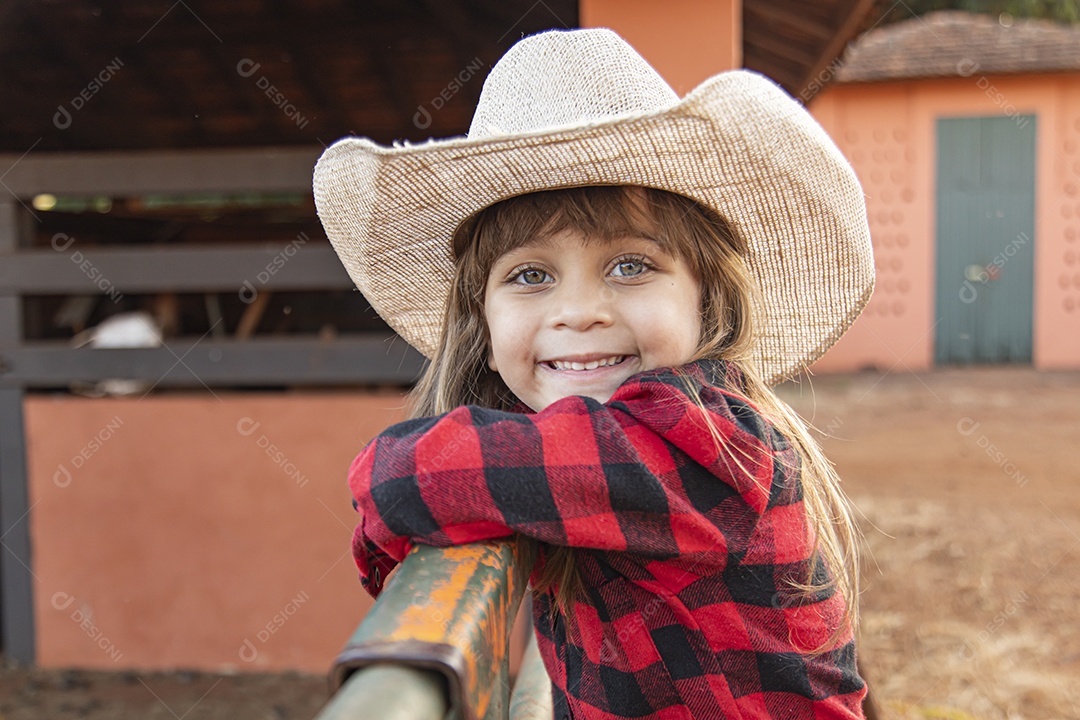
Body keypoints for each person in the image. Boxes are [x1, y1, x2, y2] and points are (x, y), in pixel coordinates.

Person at [313, 27, 874, 720]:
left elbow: (411, 476)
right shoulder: (563, 478)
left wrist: (383, 501)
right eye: (530, 275)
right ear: (483, 332)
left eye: (630, 265)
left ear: (708, 303)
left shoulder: (706, 441)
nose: (579, 312)